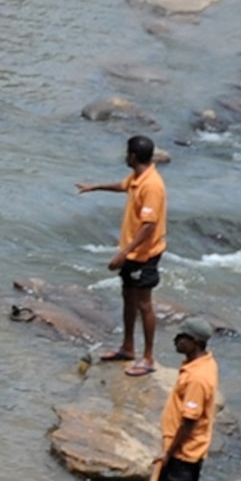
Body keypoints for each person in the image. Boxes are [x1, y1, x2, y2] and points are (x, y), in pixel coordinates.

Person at [75, 135, 167, 374]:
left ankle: (148, 358)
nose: (125, 156)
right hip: (132, 254)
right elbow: (123, 186)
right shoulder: (138, 178)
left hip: (143, 255)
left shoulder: (152, 185)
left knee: (144, 304)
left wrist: (123, 254)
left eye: (127, 153)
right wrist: (94, 187)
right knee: (128, 298)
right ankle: (128, 348)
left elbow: (148, 226)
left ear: (133, 156)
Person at [145, 327, 217, 481]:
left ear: (194, 342)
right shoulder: (198, 364)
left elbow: (189, 421)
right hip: (181, 446)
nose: (176, 341)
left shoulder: (198, 378)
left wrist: (169, 452)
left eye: (181, 338)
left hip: (186, 450)